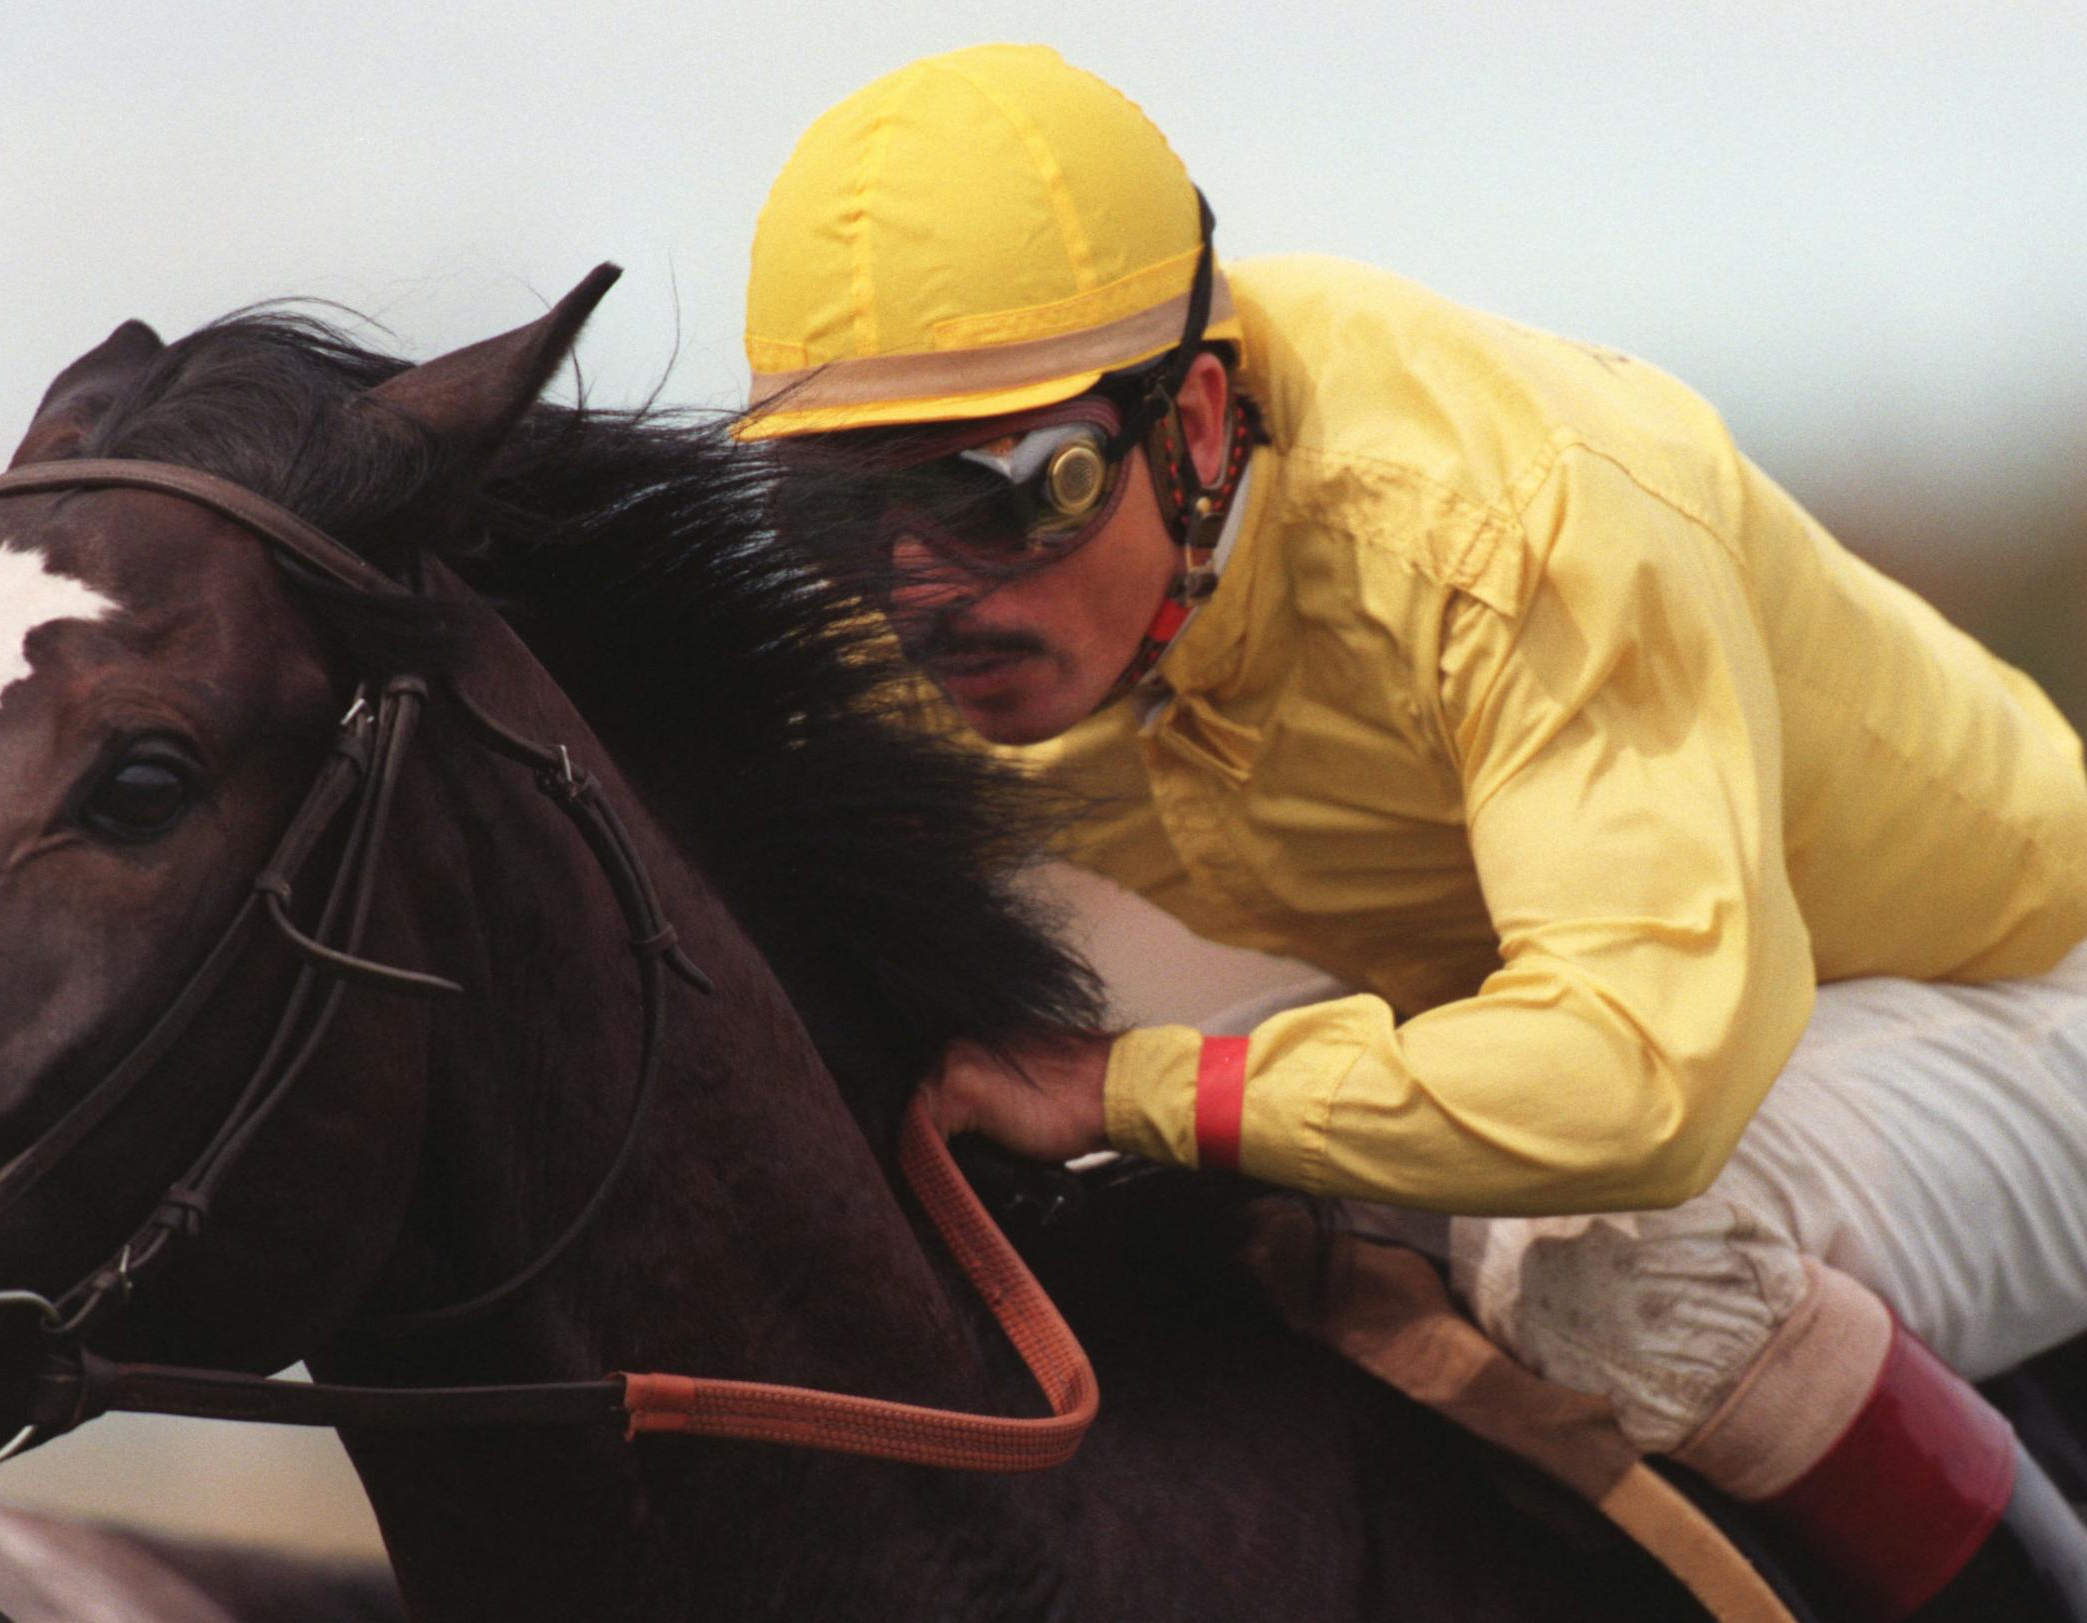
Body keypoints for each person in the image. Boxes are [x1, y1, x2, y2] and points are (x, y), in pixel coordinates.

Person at [737, 43, 2087, 1621]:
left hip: (2018, 1001)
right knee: (1145, 1211)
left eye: (999, 494)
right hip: (1611, 1022)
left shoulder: (1519, 522)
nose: (922, 592)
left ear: (1198, 419)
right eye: (836, 519)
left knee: (1614, 1266)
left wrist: (1131, 1079)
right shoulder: (950, 610)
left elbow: (1635, 1087)